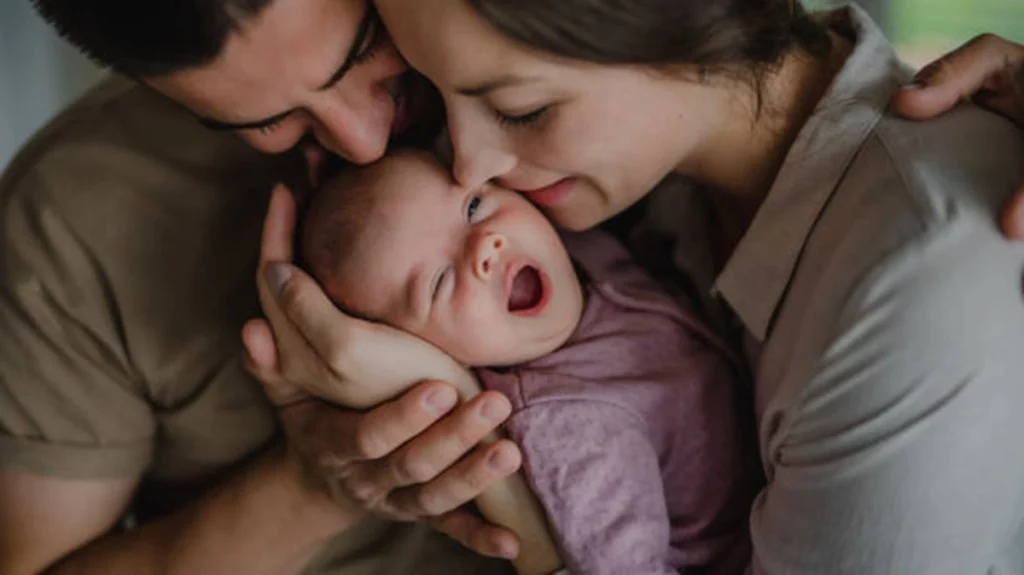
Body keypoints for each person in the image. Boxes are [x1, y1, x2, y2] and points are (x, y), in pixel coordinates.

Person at [1, 0, 1022, 571]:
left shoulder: (619, 157)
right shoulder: (71, 217)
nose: (370, 139)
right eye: (261, 121)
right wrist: (321, 478)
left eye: (366, 48)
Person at [357, 0, 1024, 572]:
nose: (468, 169)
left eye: (522, 108)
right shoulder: (643, 191)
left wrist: (526, 515)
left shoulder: (919, 294)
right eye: (434, 94)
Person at [301, 149, 759, 574]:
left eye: (474, 207)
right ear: (426, 353)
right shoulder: (570, 426)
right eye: (439, 283)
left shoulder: (575, 245)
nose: (485, 246)